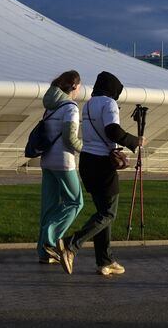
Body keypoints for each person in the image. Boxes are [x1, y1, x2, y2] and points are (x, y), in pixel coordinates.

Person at [57, 71, 141, 277]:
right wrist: (134, 141)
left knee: (102, 212)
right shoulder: (109, 104)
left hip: (87, 161)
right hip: (103, 164)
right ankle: (70, 245)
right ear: (113, 90)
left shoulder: (89, 103)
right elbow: (112, 130)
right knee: (108, 213)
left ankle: (105, 260)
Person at [36, 70, 83, 265]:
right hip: (63, 162)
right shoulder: (70, 107)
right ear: (74, 86)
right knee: (75, 202)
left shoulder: (50, 107)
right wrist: (85, 150)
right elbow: (70, 138)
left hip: (46, 160)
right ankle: (50, 239)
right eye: (80, 86)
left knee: (49, 206)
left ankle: (44, 253)